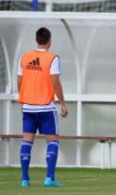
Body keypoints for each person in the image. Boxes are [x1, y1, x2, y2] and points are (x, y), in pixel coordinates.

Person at [18, 27, 68, 187]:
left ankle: (25, 179)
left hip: (28, 107)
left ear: (36, 39)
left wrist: (23, 100)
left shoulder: (25, 57)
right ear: (49, 40)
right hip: (46, 107)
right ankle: (49, 178)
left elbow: (19, 81)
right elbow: (55, 81)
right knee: (52, 140)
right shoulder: (52, 58)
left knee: (27, 141)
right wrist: (62, 103)